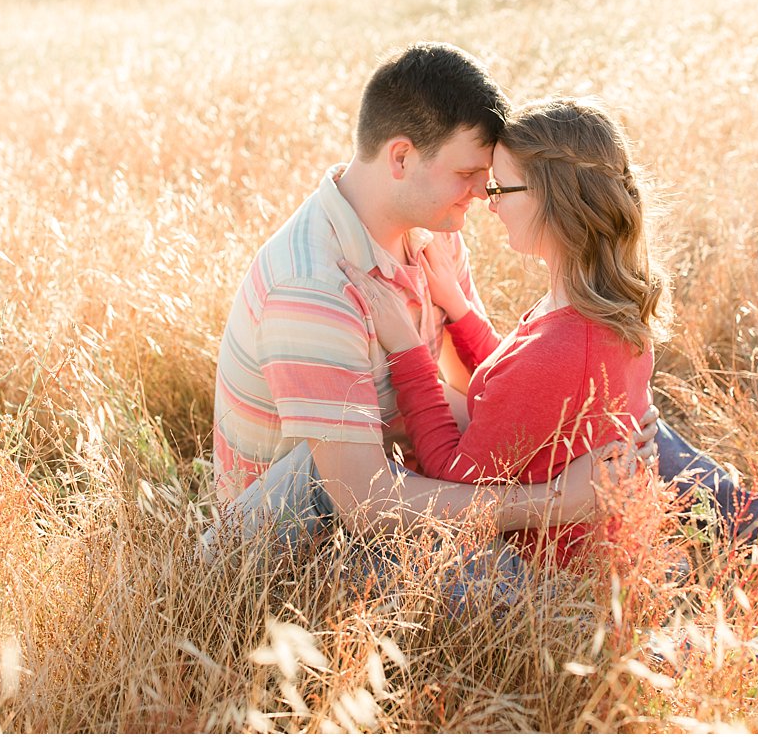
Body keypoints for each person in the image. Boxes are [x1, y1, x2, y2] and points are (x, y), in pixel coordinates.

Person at [209, 43, 640, 569]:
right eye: (467, 174)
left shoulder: (435, 231)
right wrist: (554, 500)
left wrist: (599, 424)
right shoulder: (313, 288)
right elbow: (362, 502)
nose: (484, 194)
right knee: (532, 598)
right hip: (306, 537)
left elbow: (480, 387)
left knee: (616, 425)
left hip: (416, 475)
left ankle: (756, 521)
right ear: (401, 157)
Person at [339, 96, 667, 567]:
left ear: (554, 201)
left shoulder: (563, 347)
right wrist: (456, 305)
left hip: (538, 583)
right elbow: (516, 393)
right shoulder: (594, 306)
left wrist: (408, 353)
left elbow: (453, 473)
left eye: (501, 191)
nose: (489, 208)